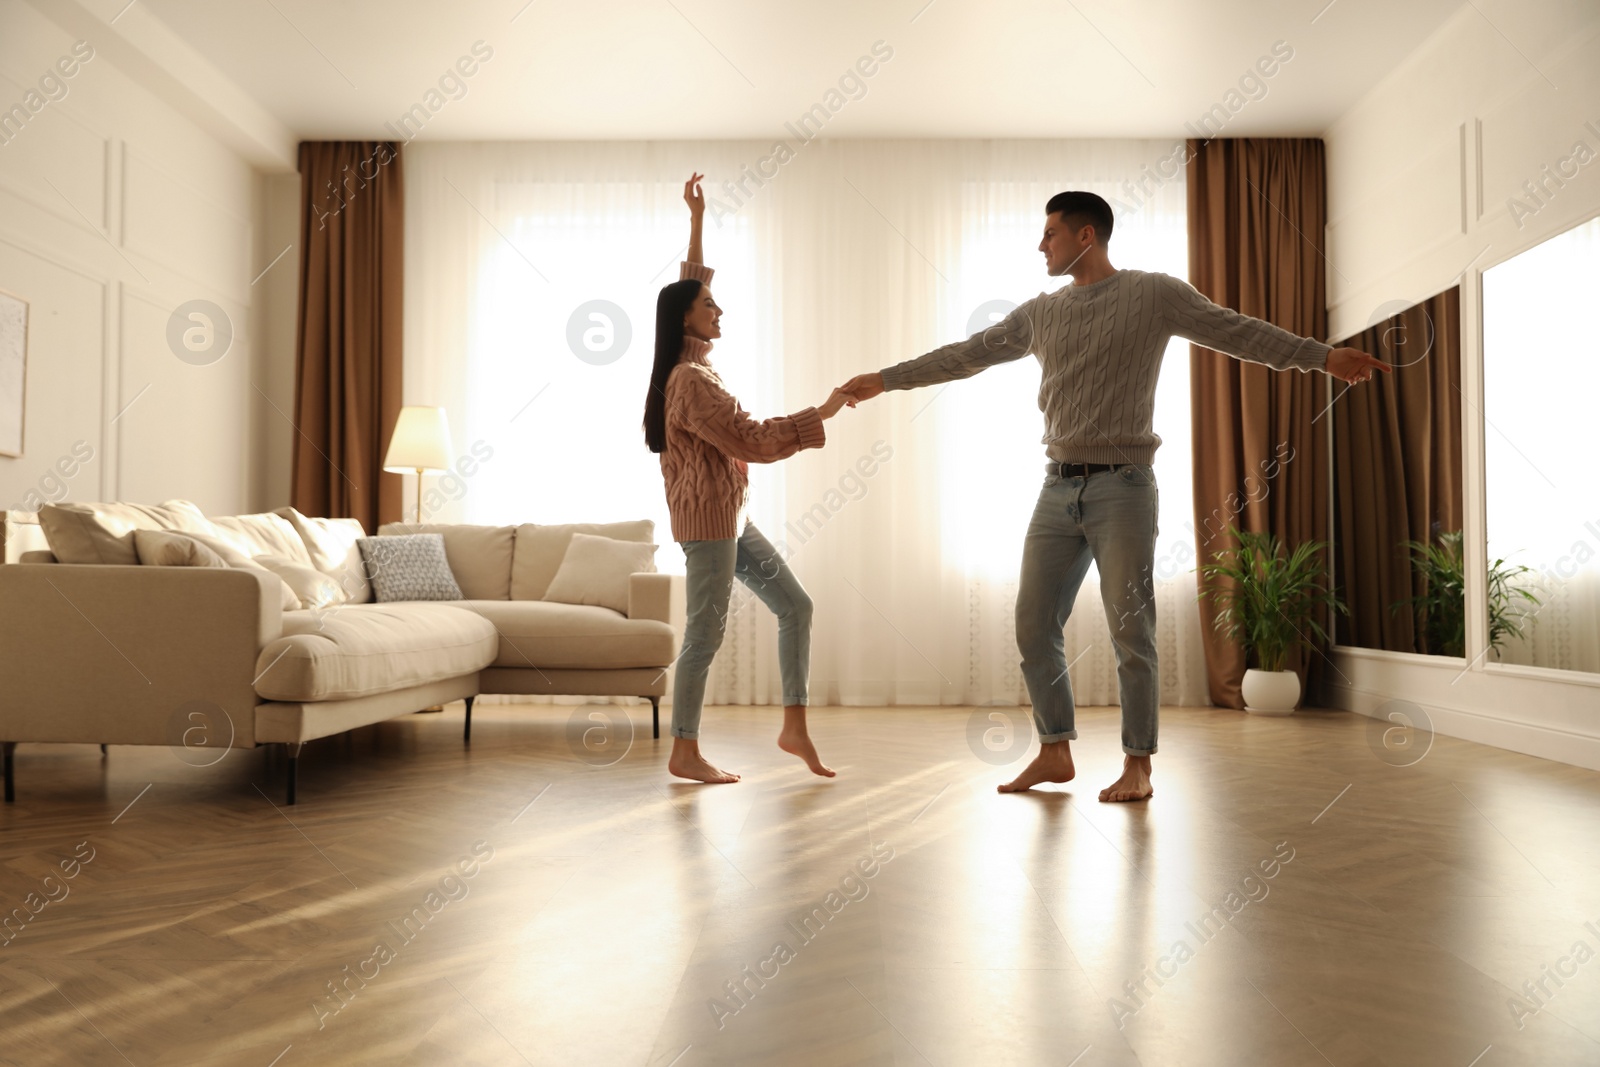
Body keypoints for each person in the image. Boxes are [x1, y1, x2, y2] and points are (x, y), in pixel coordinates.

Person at [838, 190, 1390, 802]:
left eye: (1049, 233)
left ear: (1085, 237)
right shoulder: (1039, 313)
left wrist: (1321, 358)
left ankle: (1138, 764)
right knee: (1032, 623)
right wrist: (887, 379)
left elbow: (1237, 331)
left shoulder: (1154, 294)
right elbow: (967, 356)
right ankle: (1054, 751)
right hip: (1056, 489)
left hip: (1123, 488)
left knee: (1132, 630)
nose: (1039, 245)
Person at [645, 173, 854, 784]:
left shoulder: (692, 366)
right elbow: (755, 442)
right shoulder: (689, 382)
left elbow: (693, 280)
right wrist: (825, 411)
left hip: (730, 516)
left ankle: (794, 726)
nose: (718, 308)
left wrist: (697, 221)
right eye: (708, 305)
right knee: (704, 635)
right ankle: (684, 749)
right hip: (709, 525)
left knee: (796, 606)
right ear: (686, 319)